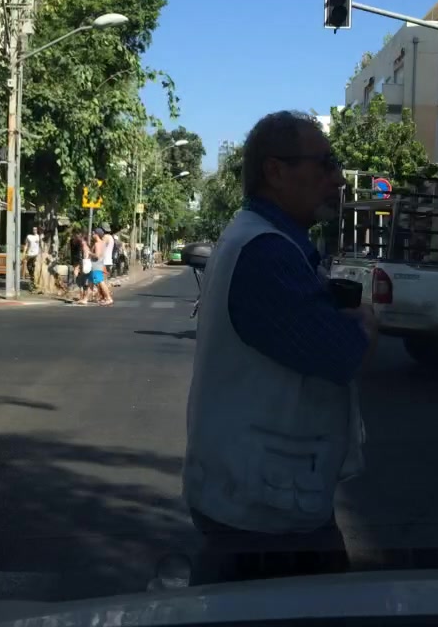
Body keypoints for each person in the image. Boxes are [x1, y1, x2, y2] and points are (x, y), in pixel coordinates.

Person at [182, 110, 375, 585]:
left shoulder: (270, 242)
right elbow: (342, 354)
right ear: (275, 171)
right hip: (265, 510)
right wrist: (365, 324)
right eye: (325, 164)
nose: (337, 179)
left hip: (267, 495)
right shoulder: (265, 252)